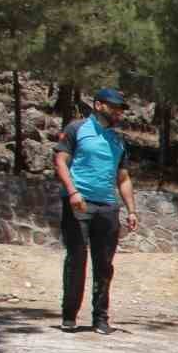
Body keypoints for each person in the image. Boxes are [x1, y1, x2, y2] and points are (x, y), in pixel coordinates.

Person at [53, 88, 138, 334]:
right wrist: (72, 192)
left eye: (121, 109)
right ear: (99, 105)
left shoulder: (117, 140)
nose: (119, 113)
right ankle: (69, 316)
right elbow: (60, 161)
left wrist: (131, 210)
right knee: (77, 259)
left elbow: (123, 178)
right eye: (115, 107)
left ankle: (100, 319)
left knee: (104, 265)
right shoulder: (76, 129)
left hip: (108, 208)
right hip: (79, 204)